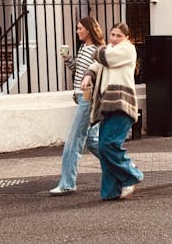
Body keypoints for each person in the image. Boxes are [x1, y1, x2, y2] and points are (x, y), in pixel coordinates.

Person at [82, 22, 144, 201]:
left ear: (126, 38)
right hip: (107, 105)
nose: (114, 39)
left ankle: (131, 175)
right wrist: (88, 75)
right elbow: (96, 66)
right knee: (104, 147)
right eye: (112, 35)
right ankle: (110, 192)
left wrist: (94, 48)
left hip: (122, 104)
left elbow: (105, 58)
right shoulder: (108, 50)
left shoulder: (127, 50)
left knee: (108, 145)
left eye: (118, 35)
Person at [50, 16, 105, 196]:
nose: (77, 31)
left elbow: (96, 72)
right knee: (92, 141)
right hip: (81, 98)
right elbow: (77, 71)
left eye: (80, 28)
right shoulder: (83, 48)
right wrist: (67, 59)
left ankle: (67, 183)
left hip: (87, 100)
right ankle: (121, 168)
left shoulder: (96, 50)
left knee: (73, 141)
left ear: (88, 30)